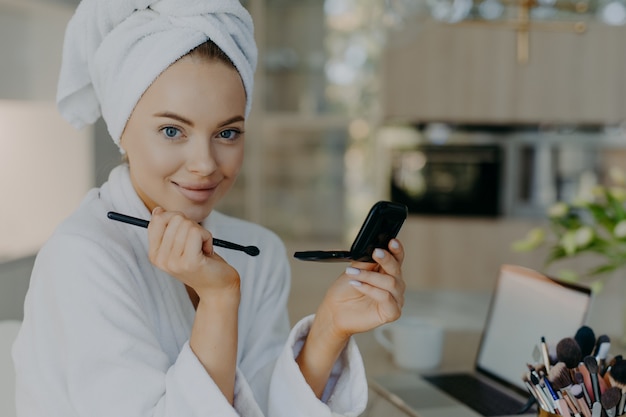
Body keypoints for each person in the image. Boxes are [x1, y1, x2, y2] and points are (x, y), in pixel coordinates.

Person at [12, 1, 406, 416]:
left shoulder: (256, 251)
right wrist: (218, 300)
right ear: (121, 129)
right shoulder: (83, 256)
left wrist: (330, 327)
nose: (205, 164)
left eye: (228, 132)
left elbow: (261, 408)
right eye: (172, 130)